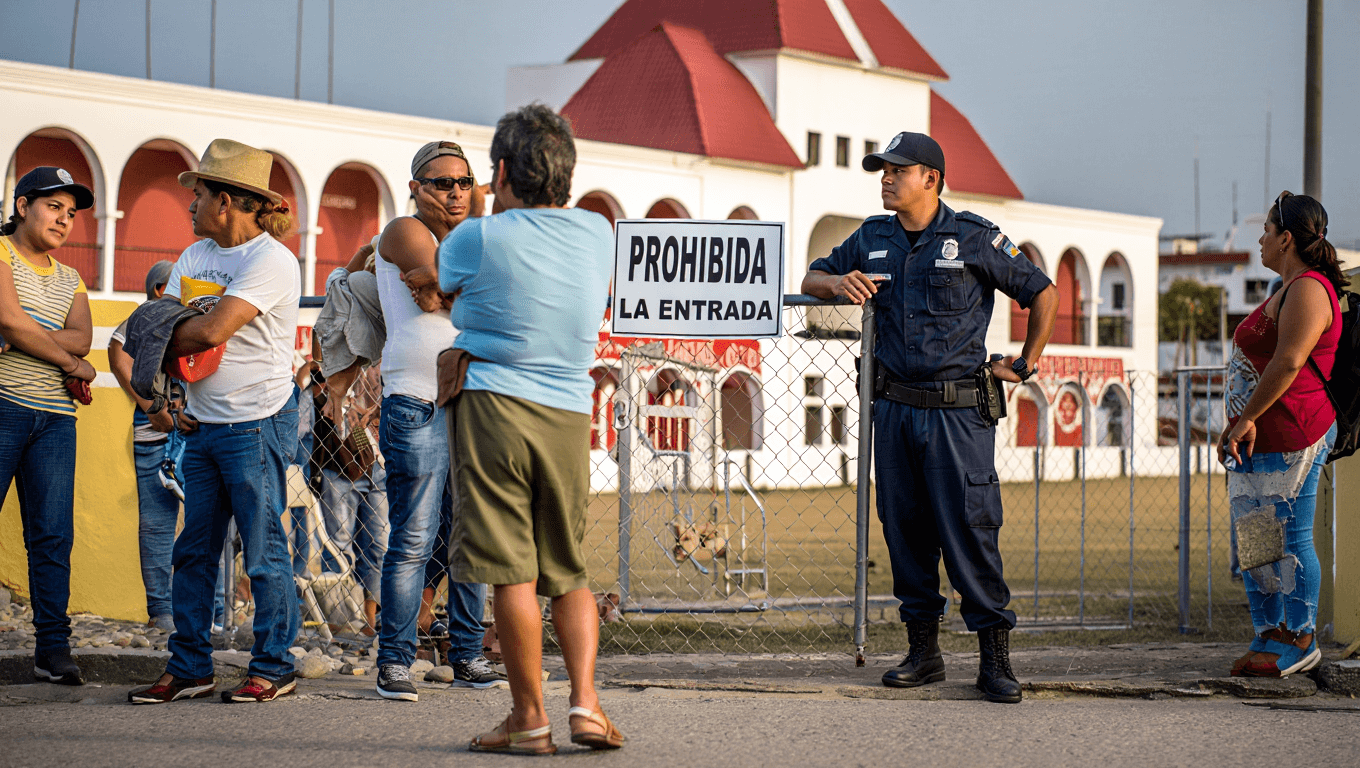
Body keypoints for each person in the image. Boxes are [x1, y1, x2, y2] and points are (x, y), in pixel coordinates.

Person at [801, 132, 1057, 704]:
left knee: (968, 530)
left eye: (898, 170)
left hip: (956, 417)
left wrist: (1027, 363)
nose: (886, 178)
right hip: (893, 412)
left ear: (932, 179)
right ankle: (924, 653)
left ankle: (994, 660)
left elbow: (1042, 292)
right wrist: (836, 283)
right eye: (882, 170)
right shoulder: (872, 237)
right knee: (904, 532)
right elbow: (810, 277)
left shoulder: (972, 236)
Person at [438, 105, 620, 754]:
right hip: (570, 412)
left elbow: (446, 288)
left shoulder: (477, 237)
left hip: (494, 407)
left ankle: (529, 716)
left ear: (505, 170)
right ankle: (588, 707)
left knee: (510, 573)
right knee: (566, 568)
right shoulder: (599, 232)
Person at [128, 139, 301, 704]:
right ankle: (190, 668)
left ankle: (274, 665)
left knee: (264, 550)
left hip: (256, 424)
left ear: (226, 200)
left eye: (198, 194)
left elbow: (204, 331)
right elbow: (159, 321)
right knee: (194, 552)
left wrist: (161, 330)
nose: (190, 205)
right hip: (200, 425)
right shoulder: (194, 256)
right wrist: (172, 391)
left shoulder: (271, 260)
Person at [369, 141, 503, 702]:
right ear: (416, 188)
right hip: (418, 398)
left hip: (473, 401)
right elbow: (430, 292)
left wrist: (458, 289)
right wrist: (478, 292)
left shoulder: (471, 240)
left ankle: (468, 654)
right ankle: (395, 660)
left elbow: (451, 291)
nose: (454, 191)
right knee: (414, 539)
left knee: (470, 538)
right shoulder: (404, 228)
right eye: (441, 181)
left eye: (464, 182)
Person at [1219, 191, 1345, 678]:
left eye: (1267, 231)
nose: (1260, 239)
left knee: (1291, 536)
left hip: (1296, 431)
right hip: (1255, 437)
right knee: (1256, 540)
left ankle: (1302, 635)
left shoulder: (1311, 289)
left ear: (1286, 238)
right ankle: (1269, 633)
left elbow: (1290, 360)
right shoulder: (1282, 288)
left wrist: (1245, 418)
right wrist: (1236, 425)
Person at [0, 166, 98, 686]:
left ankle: (52, 650)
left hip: (56, 420)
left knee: (52, 536)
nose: (64, 219)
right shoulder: (1, 255)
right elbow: (8, 317)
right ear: (22, 206)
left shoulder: (71, 278)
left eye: (71, 213)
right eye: (53, 207)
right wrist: (68, 361)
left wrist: (21, 335)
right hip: (4, 405)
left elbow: (82, 337)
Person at [109, 260, 188, 633]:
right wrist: (150, 407)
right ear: (161, 290)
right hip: (157, 434)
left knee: (205, 526)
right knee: (158, 525)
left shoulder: (192, 318)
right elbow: (117, 349)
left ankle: (209, 612)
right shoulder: (148, 314)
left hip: (190, 435)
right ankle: (162, 611)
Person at [314, 364, 388, 635]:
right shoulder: (335, 362)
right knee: (338, 545)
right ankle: (340, 621)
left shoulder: (387, 358)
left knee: (378, 545)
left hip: (377, 460)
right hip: (340, 462)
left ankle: (370, 620)